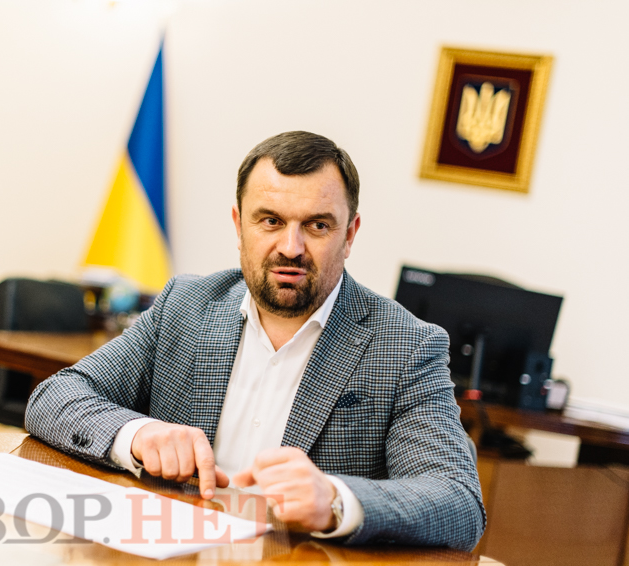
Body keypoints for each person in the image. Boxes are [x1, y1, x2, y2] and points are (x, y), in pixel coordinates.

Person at [26, 131, 485, 550]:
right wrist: (138, 434)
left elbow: (458, 500)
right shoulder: (184, 304)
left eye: (317, 226)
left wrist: (335, 500)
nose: (291, 247)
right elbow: (55, 397)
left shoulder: (405, 346)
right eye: (270, 220)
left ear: (349, 235)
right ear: (239, 225)